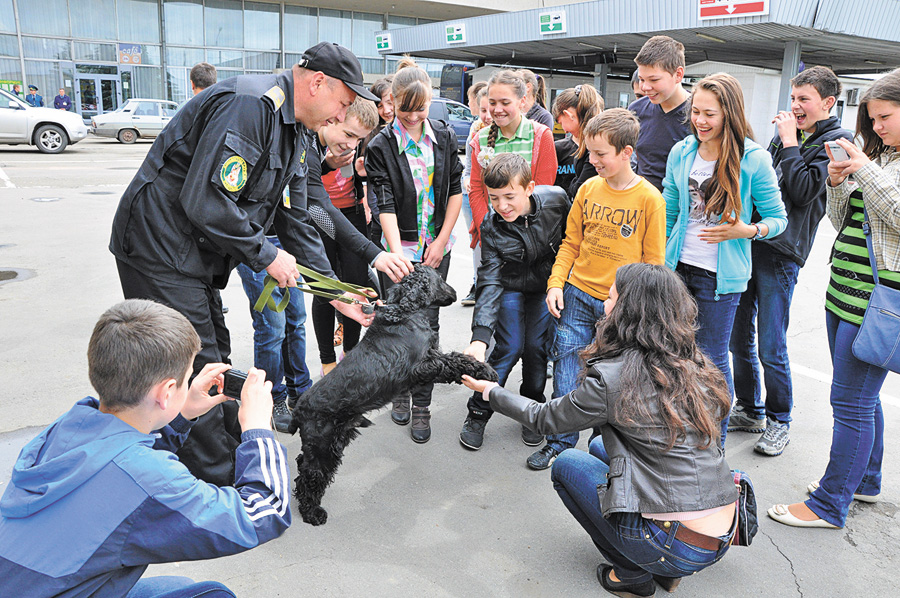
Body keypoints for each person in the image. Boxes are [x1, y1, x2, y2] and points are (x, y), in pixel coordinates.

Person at [109, 42, 411, 486]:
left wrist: (337, 294)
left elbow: (296, 217)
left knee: (214, 356)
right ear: (316, 82)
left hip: (190, 256)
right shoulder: (252, 107)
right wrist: (267, 255)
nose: (339, 117)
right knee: (196, 361)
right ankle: (220, 481)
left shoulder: (296, 129)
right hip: (158, 248)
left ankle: (225, 453)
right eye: (343, 104)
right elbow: (205, 199)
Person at [463, 263, 737, 598]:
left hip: (672, 543)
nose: (604, 305)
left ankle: (633, 575)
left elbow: (544, 418)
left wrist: (490, 390)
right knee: (598, 450)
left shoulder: (615, 378)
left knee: (567, 465)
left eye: (610, 298)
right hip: (720, 533)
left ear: (628, 312)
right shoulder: (693, 360)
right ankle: (667, 570)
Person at [0, 300, 291, 598]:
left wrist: (183, 411)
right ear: (165, 393)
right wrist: (257, 429)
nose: (188, 382)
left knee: (175, 588)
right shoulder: (150, 479)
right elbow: (266, 512)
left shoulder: (69, 426)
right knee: (214, 595)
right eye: (186, 377)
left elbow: (120, 466)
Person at [769, 68, 900, 529]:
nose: (877, 127)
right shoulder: (883, 157)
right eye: (873, 117)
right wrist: (841, 181)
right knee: (864, 399)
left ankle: (830, 503)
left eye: (885, 117)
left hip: (876, 302)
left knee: (852, 404)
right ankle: (863, 479)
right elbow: (842, 221)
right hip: (847, 294)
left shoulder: (880, 162)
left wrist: (862, 167)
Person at [531, 108, 666, 471]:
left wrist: (632, 308)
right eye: (590, 152)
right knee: (565, 371)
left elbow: (653, 265)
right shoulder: (588, 188)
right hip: (576, 294)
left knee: (612, 381)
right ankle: (559, 443)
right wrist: (557, 283)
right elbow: (570, 244)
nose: (592, 160)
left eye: (600, 154)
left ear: (626, 153)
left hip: (618, 307)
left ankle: (600, 447)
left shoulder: (650, 199)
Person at [729, 66, 852, 456]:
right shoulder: (789, 138)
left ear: (828, 103)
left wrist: (790, 140)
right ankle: (751, 409)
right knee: (738, 337)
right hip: (751, 240)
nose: (795, 107)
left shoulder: (838, 141)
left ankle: (780, 420)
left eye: (804, 100)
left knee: (770, 341)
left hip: (783, 253)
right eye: (794, 98)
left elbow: (801, 193)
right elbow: (761, 180)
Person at [663, 73, 787, 440]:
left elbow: (778, 220)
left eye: (709, 114)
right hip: (676, 270)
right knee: (674, 355)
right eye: (695, 112)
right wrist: (658, 261)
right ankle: (683, 430)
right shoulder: (682, 151)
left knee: (712, 361)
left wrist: (746, 230)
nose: (699, 121)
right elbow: (670, 211)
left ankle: (712, 443)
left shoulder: (753, 158)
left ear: (729, 114)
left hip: (719, 278)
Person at [364, 57, 463, 443]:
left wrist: (440, 242)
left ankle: (422, 401)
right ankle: (400, 390)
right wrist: (396, 252)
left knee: (430, 327)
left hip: (437, 246)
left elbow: (455, 191)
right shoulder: (381, 145)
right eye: (404, 109)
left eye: (419, 109)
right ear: (392, 102)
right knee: (397, 323)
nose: (411, 116)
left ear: (430, 102)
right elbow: (384, 201)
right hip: (397, 249)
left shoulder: (444, 135)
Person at [458, 153, 570, 450]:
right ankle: (478, 413)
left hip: (544, 287)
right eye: (494, 198)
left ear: (530, 188)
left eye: (509, 197)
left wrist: (561, 283)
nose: (502, 206)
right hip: (508, 287)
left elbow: (572, 240)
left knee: (536, 349)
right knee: (508, 347)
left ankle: (532, 410)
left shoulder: (557, 200)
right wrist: (480, 337)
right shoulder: (492, 225)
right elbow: (490, 280)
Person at [311, 97, 380, 375]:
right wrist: (326, 163)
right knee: (324, 289)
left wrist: (363, 181)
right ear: (334, 116)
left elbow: (362, 176)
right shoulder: (313, 139)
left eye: (358, 139)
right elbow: (304, 182)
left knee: (355, 286)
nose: (352, 143)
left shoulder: (358, 141)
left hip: (351, 212)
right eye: (349, 135)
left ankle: (350, 355)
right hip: (319, 213)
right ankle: (327, 360)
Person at [468, 70, 557, 248]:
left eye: (505, 102)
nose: (497, 109)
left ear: (522, 101)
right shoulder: (480, 138)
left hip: (530, 234)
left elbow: (542, 190)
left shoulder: (541, 136)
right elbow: (477, 189)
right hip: (492, 233)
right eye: (492, 103)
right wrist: (486, 229)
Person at [629, 36, 691, 192]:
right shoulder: (636, 110)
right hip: (643, 206)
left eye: (654, 80)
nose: (645, 87)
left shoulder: (700, 115)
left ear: (678, 74)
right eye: (642, 79)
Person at [459, 81, 489, 306]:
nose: (487, 115)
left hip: (494, 199)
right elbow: (468, 168)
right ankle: (478, 285)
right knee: (477, 242)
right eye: (484, 110)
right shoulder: (475, 132)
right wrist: (467, 180)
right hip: (474, 196)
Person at [553, 84, 604, 199]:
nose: (564, 130)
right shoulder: (598, 142)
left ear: (568, 115)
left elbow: (579, 191)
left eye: (560, 123)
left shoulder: (593, 147)